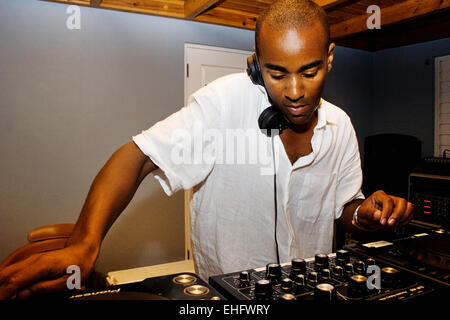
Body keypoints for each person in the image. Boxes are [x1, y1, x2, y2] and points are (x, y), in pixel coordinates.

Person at [0, 0, 413, 300]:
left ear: (329, 58)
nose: (295, 92)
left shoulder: (340, 127)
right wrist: (84, 243)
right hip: (228, 301)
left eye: (310, 71)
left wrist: (366, 213)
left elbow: (344, 210)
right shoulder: (222, 104)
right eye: (276, 73)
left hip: (312, 291)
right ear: (256, 64)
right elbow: (137, 156)